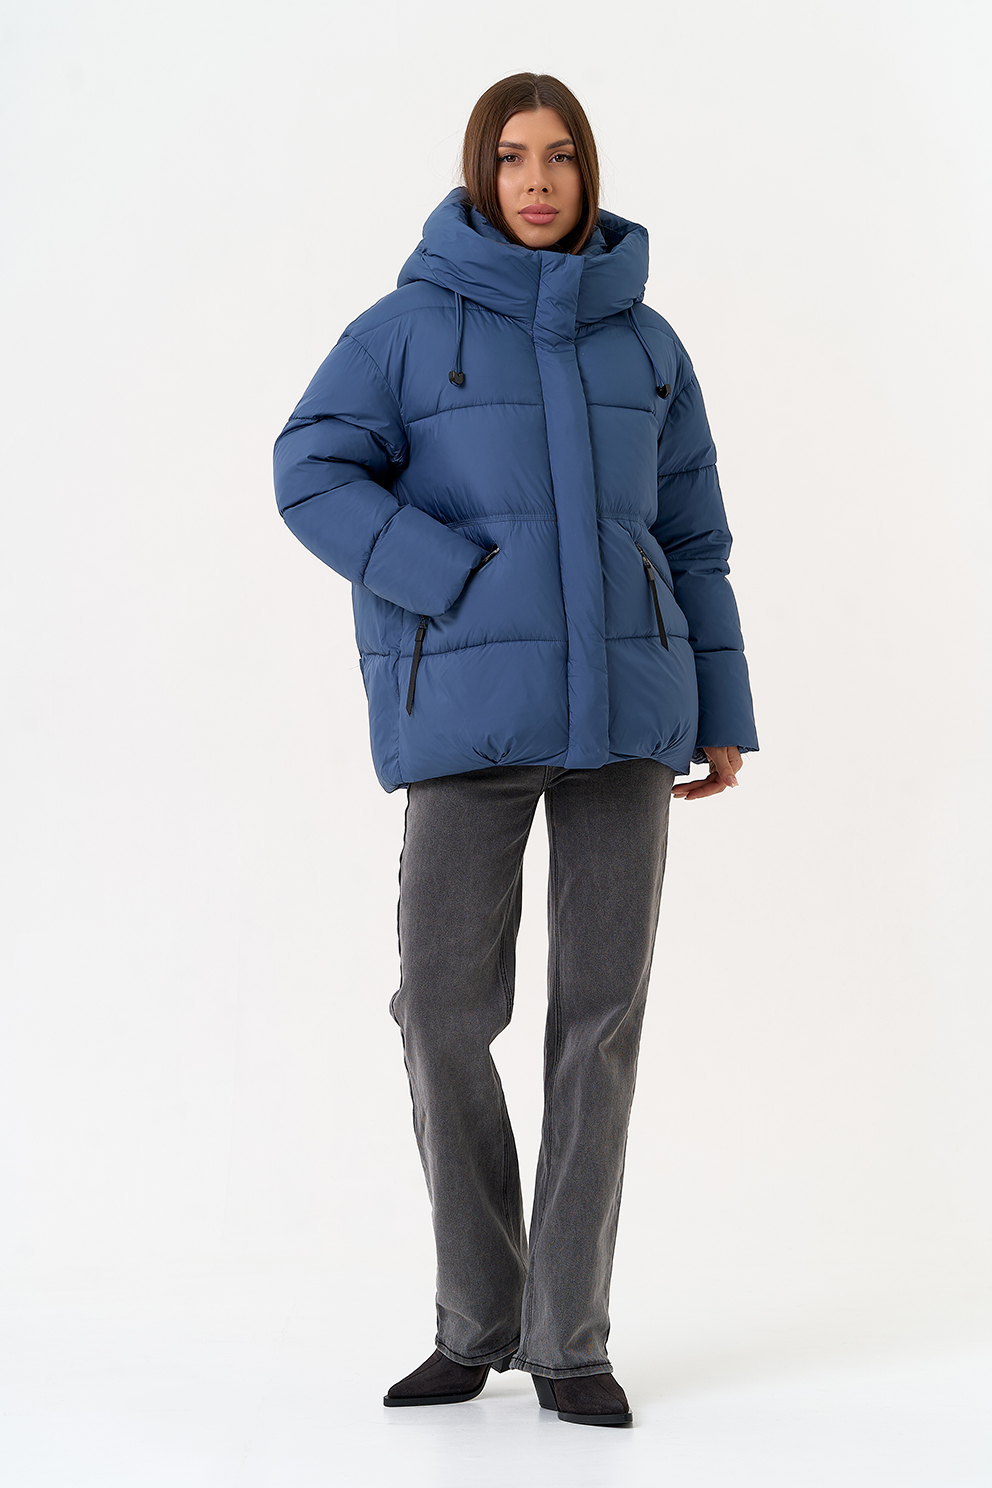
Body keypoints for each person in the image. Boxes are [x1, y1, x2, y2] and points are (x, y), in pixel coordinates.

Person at [272, 72, 759, 1429]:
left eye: (558, 158)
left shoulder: (647, 344)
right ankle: (475, 1320)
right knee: (441, 1015)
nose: (536, 181)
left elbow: (695, 535)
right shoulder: (404, 330)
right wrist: (442, 576)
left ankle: (569, 1340)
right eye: (510, 158)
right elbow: (310, 468)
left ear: (587, 173)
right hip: (467, 720)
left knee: (598, 1028)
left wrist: (721, 707)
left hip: (625, 720)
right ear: (479, 174)